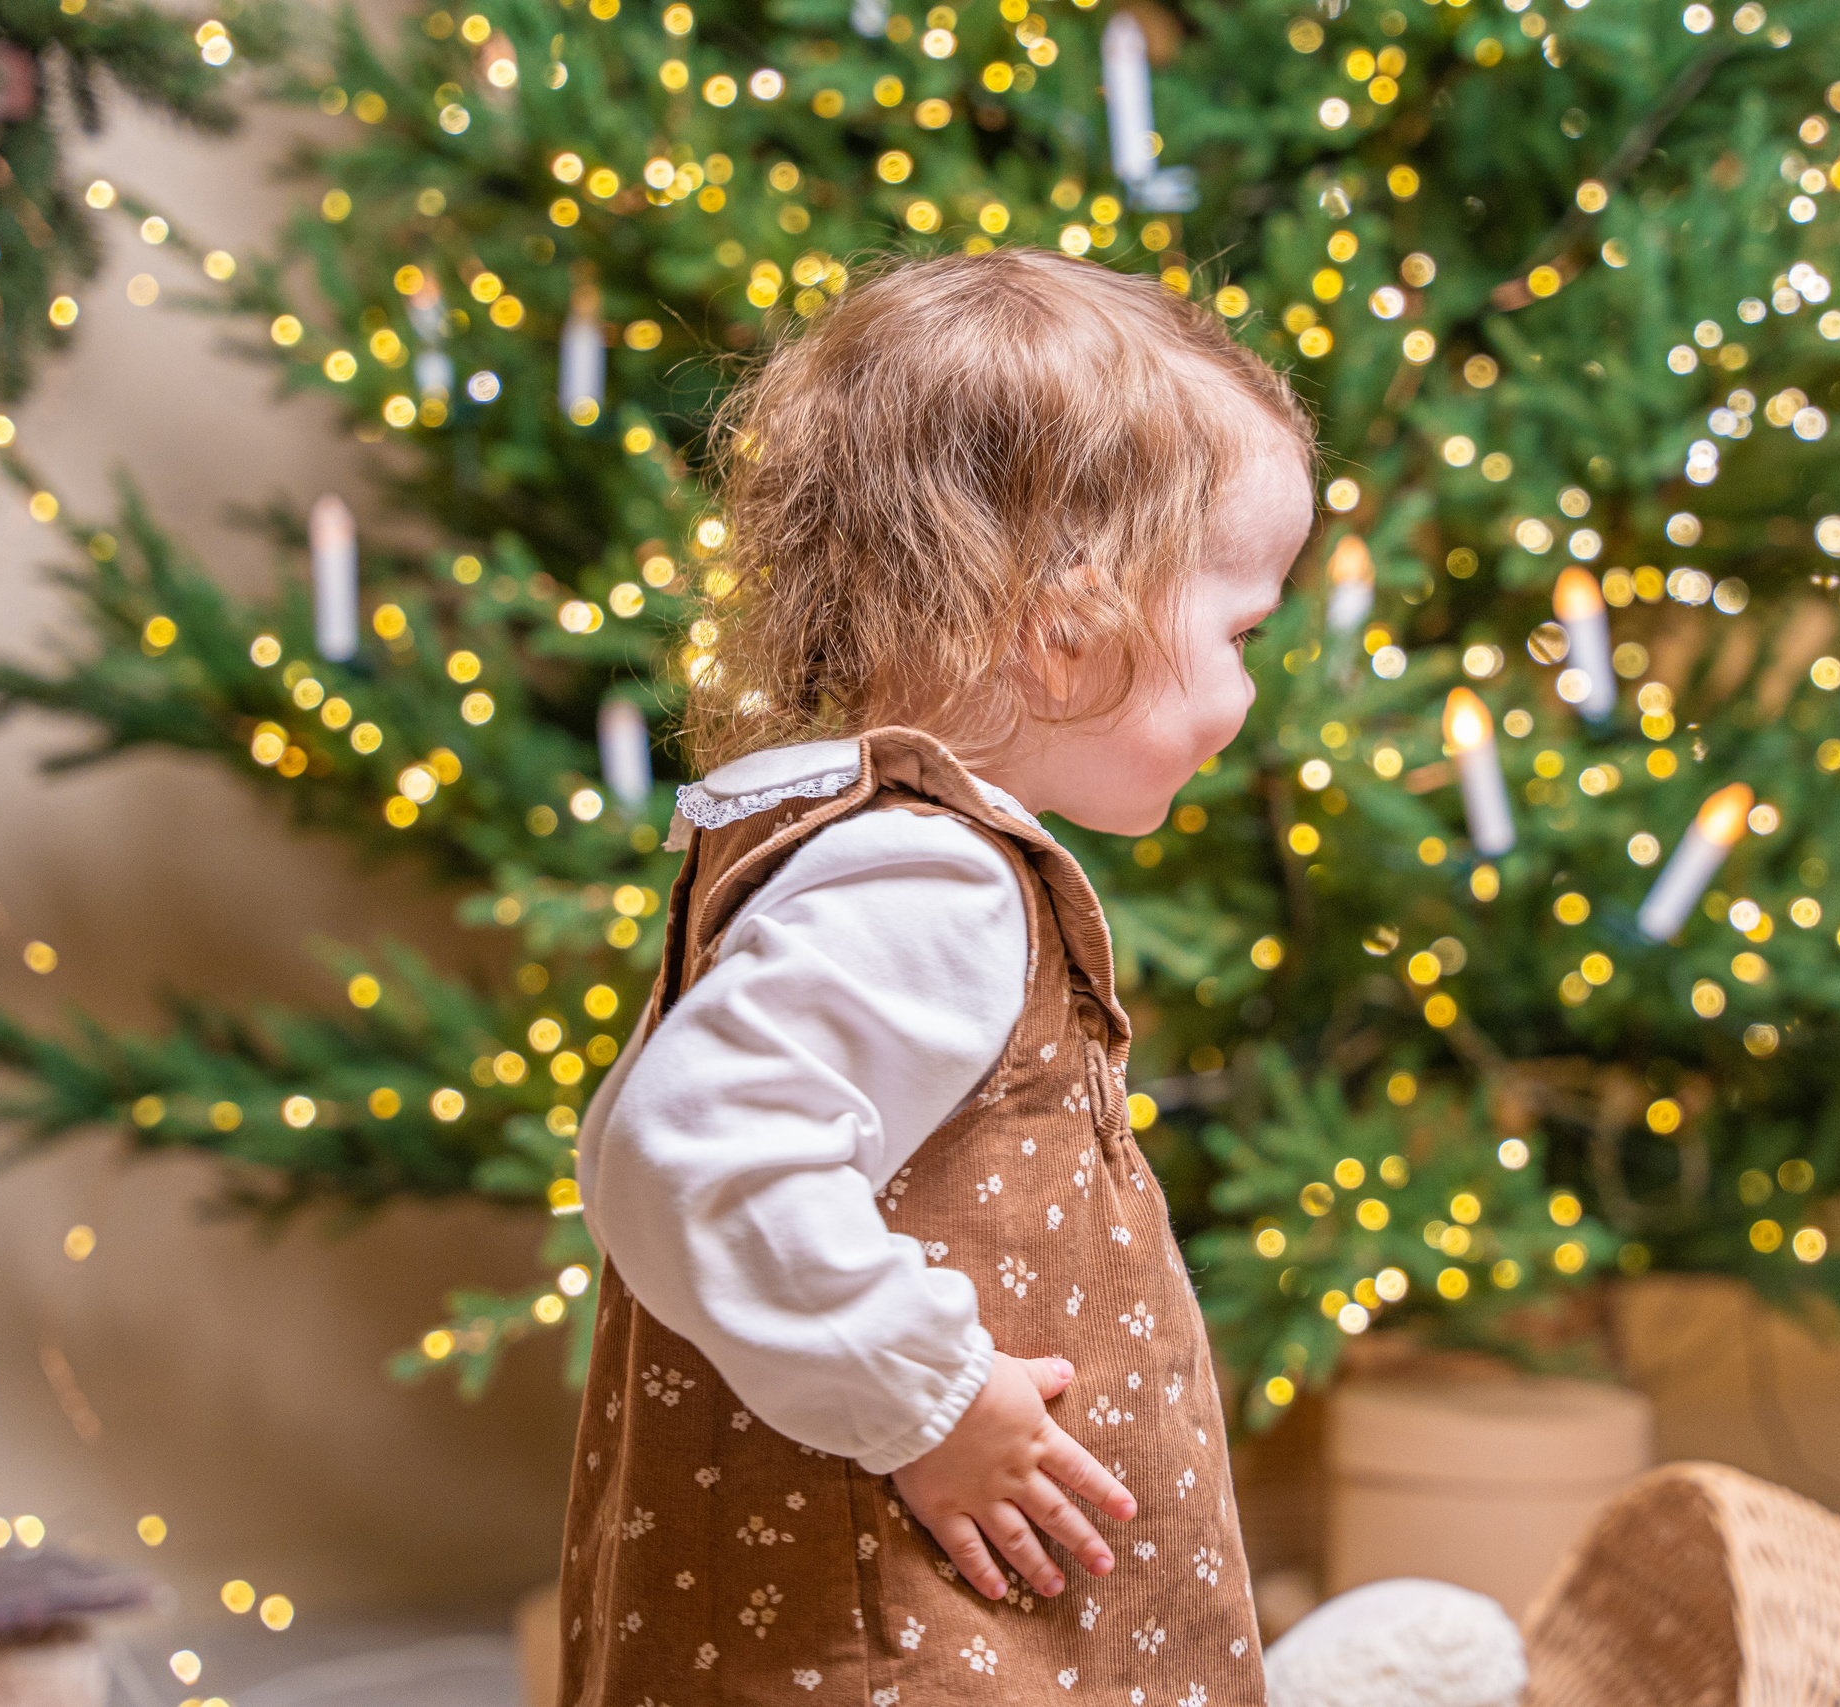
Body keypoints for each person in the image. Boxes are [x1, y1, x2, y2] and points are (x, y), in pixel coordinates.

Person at [557, 247, 1316, 1707]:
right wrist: (931, 1395)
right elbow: (684, 1148)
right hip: (914, 1634)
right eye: (1241, 633)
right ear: (1071, 624)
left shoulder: (855, 844)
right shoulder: (931, 881)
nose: (1250, 688)